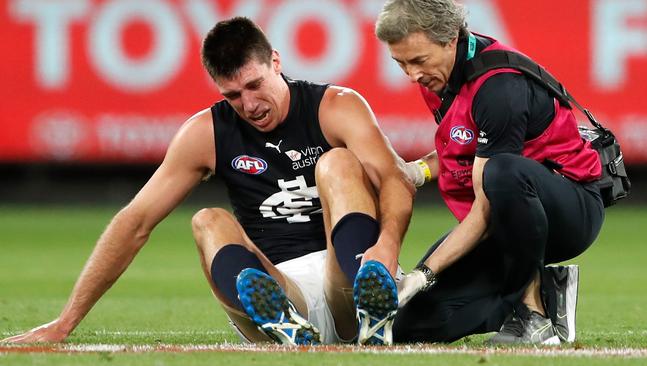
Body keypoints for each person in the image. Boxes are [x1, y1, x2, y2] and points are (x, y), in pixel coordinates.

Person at [2, 17, 414, 346]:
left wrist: (388, 248)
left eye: (255, 85)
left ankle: (371, 307)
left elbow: (394, 179)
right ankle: (281, 321)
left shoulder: (335, 107)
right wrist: (65, 322)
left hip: (346, 278)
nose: (249, 105)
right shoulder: (206, 134)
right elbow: (135, 222)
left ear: (275, 61)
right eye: (233, 95)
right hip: (282, 285)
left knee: (338, 163)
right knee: (206, 221)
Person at [370, 0, 604, 345]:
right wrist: (417, 171)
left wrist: (423, 273)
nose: (412, 74)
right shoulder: (441, 75)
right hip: (512, 215)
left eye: (418, 60)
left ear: (450, 40)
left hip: (569, 207)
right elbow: (463, 145)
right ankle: (551, 296)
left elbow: (488, 202)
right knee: (409, 326)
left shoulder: (498, 88)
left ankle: (533, 315)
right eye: (400, 63)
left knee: (502, 173)